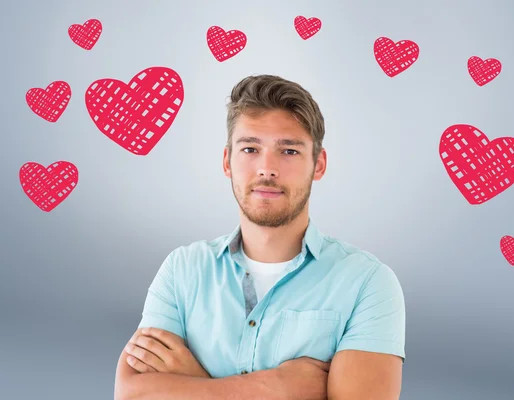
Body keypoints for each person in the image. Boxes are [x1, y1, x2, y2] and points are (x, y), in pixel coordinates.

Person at [114, 74, 406, 400]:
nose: (267, 169)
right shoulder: (182, 270)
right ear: (227, 161)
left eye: (289, 151)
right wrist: (275, 388)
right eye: (251, 148)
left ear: (318, 164)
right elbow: (132, 394)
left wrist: (194, 383)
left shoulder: (367, 284)